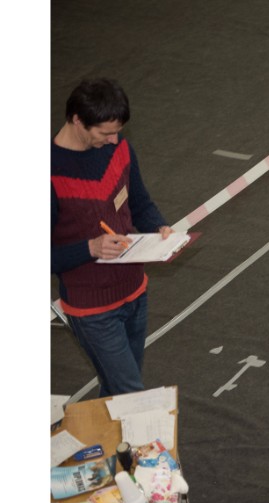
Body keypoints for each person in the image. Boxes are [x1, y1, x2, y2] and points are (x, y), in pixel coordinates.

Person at [51, 78, 174, 398]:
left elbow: (140, 204)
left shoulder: (119, 148)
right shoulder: (49, 174)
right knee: (130, 394)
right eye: (105, 133)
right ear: (78, 120)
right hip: (93, 312)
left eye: (117, 131)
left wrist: (160, 228)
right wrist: (90, 248)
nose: (114, 140)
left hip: (135, 293)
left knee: (117, 390)